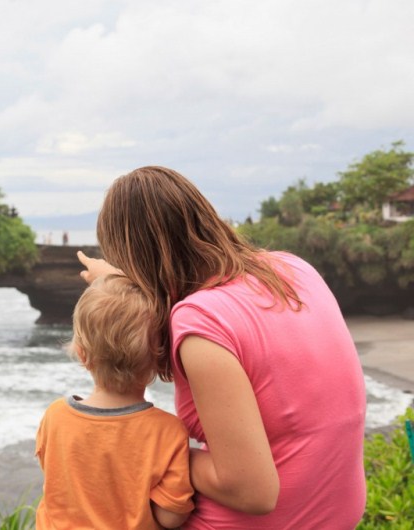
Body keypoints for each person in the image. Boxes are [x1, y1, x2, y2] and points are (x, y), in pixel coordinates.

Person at [77, 166, 366, 528]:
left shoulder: (199, 323)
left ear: (137, 260)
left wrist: (149, 444)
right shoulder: (294, 270)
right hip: (336, 514)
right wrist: (117, 282)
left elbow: (253, 492)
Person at [35, 274, 195, 530]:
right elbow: (171, 516)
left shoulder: (55, 416)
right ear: (157, 359)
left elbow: (54, 474)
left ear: (82, 354)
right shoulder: (168, 432)